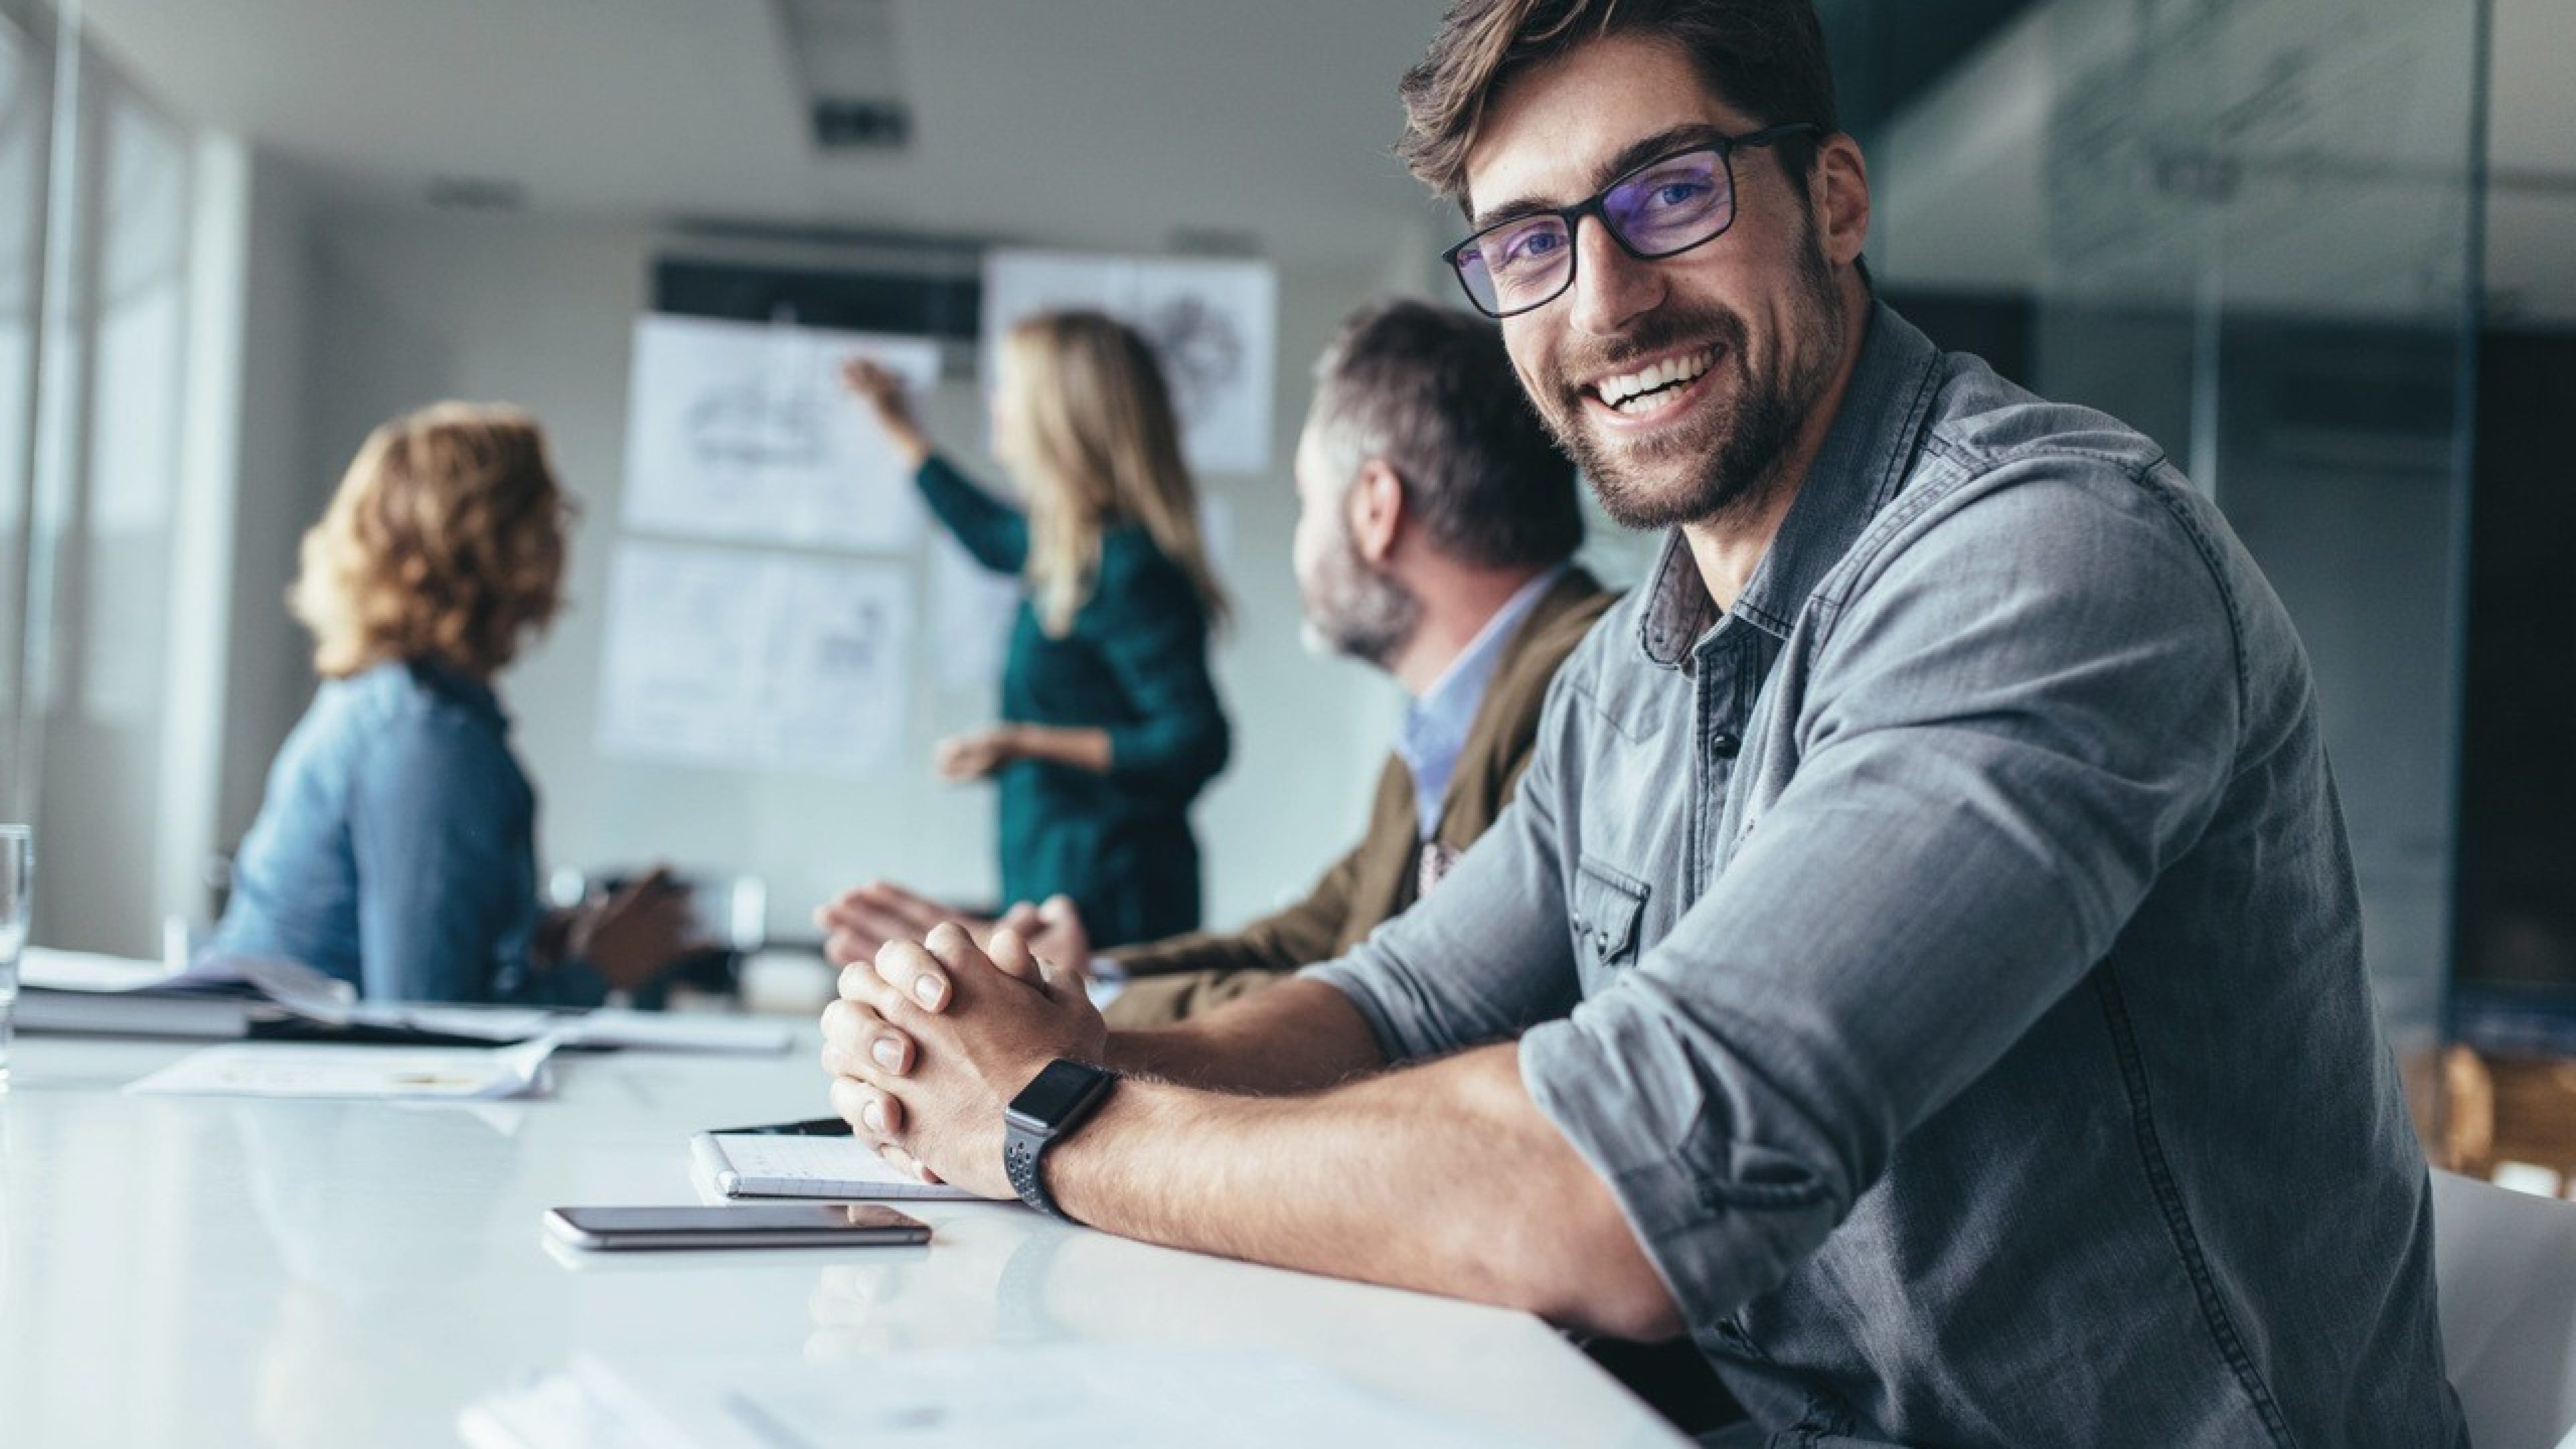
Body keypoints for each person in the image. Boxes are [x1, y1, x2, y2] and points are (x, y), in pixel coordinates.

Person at [817, 2, 2465, 1444]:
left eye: (1666, 193)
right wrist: (1070, 1054)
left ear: (1832, 194)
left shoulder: (2044, 558)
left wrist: (1051, 1125)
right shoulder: (1633, 668)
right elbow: (1392, 998)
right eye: (1527, 242)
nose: (1603, 298)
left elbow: (1627, 1185)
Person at [818, 298, 1613, 1027]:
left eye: (1306, 501)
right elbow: (1312, 940)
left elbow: (1399, 1001)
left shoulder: (1574, 695)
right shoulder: (1436, 737)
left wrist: (1082, 993)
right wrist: (1082, 971)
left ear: (1376, 511)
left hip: (1117, 879)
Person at [212, 404, 698, 1004]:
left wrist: (543, 937)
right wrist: (598, 971)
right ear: (497, 542)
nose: (560, 542)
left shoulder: (403, 707)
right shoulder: (421, 739)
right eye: (549, 517)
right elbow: (425, 1020)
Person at [841, 312, 1231, 950]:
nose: (995, 404)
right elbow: (988, 534)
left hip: (1113, 905)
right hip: (1056, 886)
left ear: (1060, 416)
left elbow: (1195, 742)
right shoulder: (1067, 554)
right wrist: (899, 429)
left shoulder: (1127, 568)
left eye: (1008, 390)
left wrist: (1023, 742)